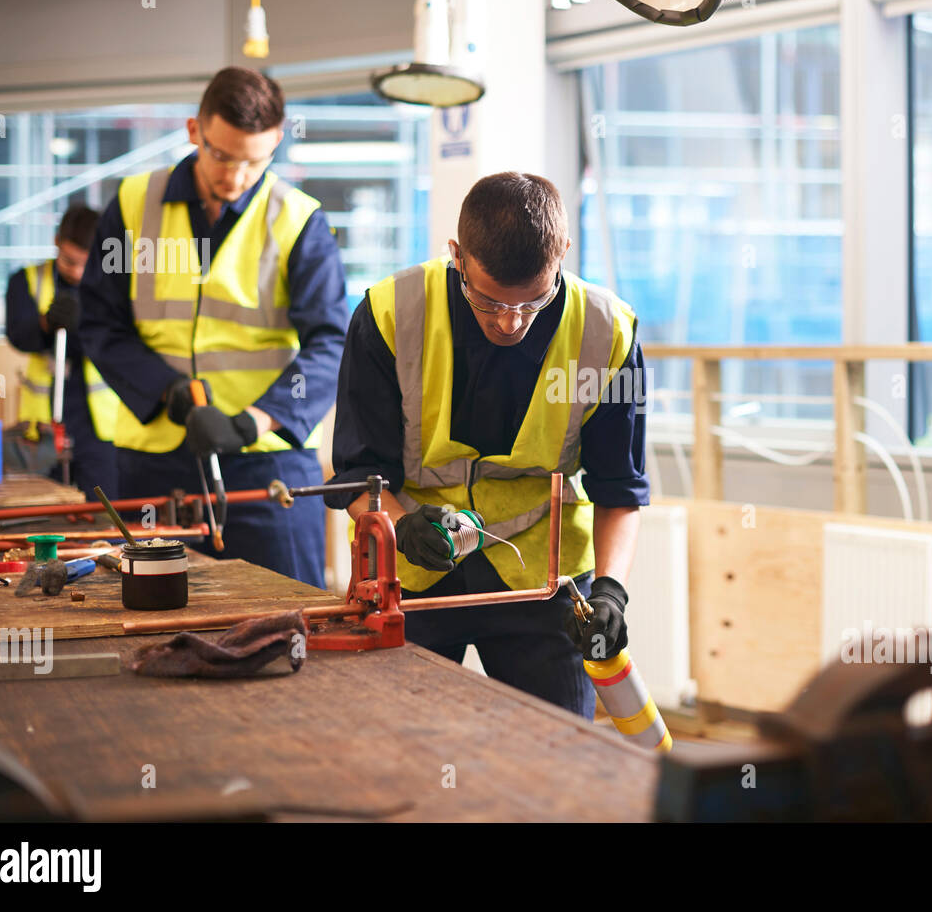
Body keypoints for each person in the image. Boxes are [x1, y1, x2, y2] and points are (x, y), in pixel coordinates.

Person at [327, 172, 649, 718]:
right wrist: (400, 525)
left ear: (563, 253)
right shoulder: (389, 314)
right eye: (489, 299)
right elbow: (359, 475)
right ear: (458, 256)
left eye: (532, 301)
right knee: (401, 752)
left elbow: (620, 489)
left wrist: (611, 592)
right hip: (412, 577)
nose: (510, 322)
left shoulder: (608, 332)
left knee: (555, 759)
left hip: (546, 585)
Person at [80, 67, 348, 587]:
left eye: (255, 161)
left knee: (287, 620)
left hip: (265, 464)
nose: (234, 176)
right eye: (221, 155)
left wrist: (256, 421)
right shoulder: (134, 205)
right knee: (152, 620)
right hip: (154, 459)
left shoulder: (298, 219)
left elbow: (331, 343)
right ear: (192, 130)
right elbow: (100, 321)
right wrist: (168, 392)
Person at [5, 204, 120, 499]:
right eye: (69, 261)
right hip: (42, 428)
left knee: (101, 514)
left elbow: (116, 343)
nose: (78, 272)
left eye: (87, 263)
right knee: (41, 510)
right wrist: (47, 323)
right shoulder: (27, 280)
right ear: (57, 241)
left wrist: (81, 325)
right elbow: (19, 336)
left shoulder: (113, 285)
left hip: (100, 430)